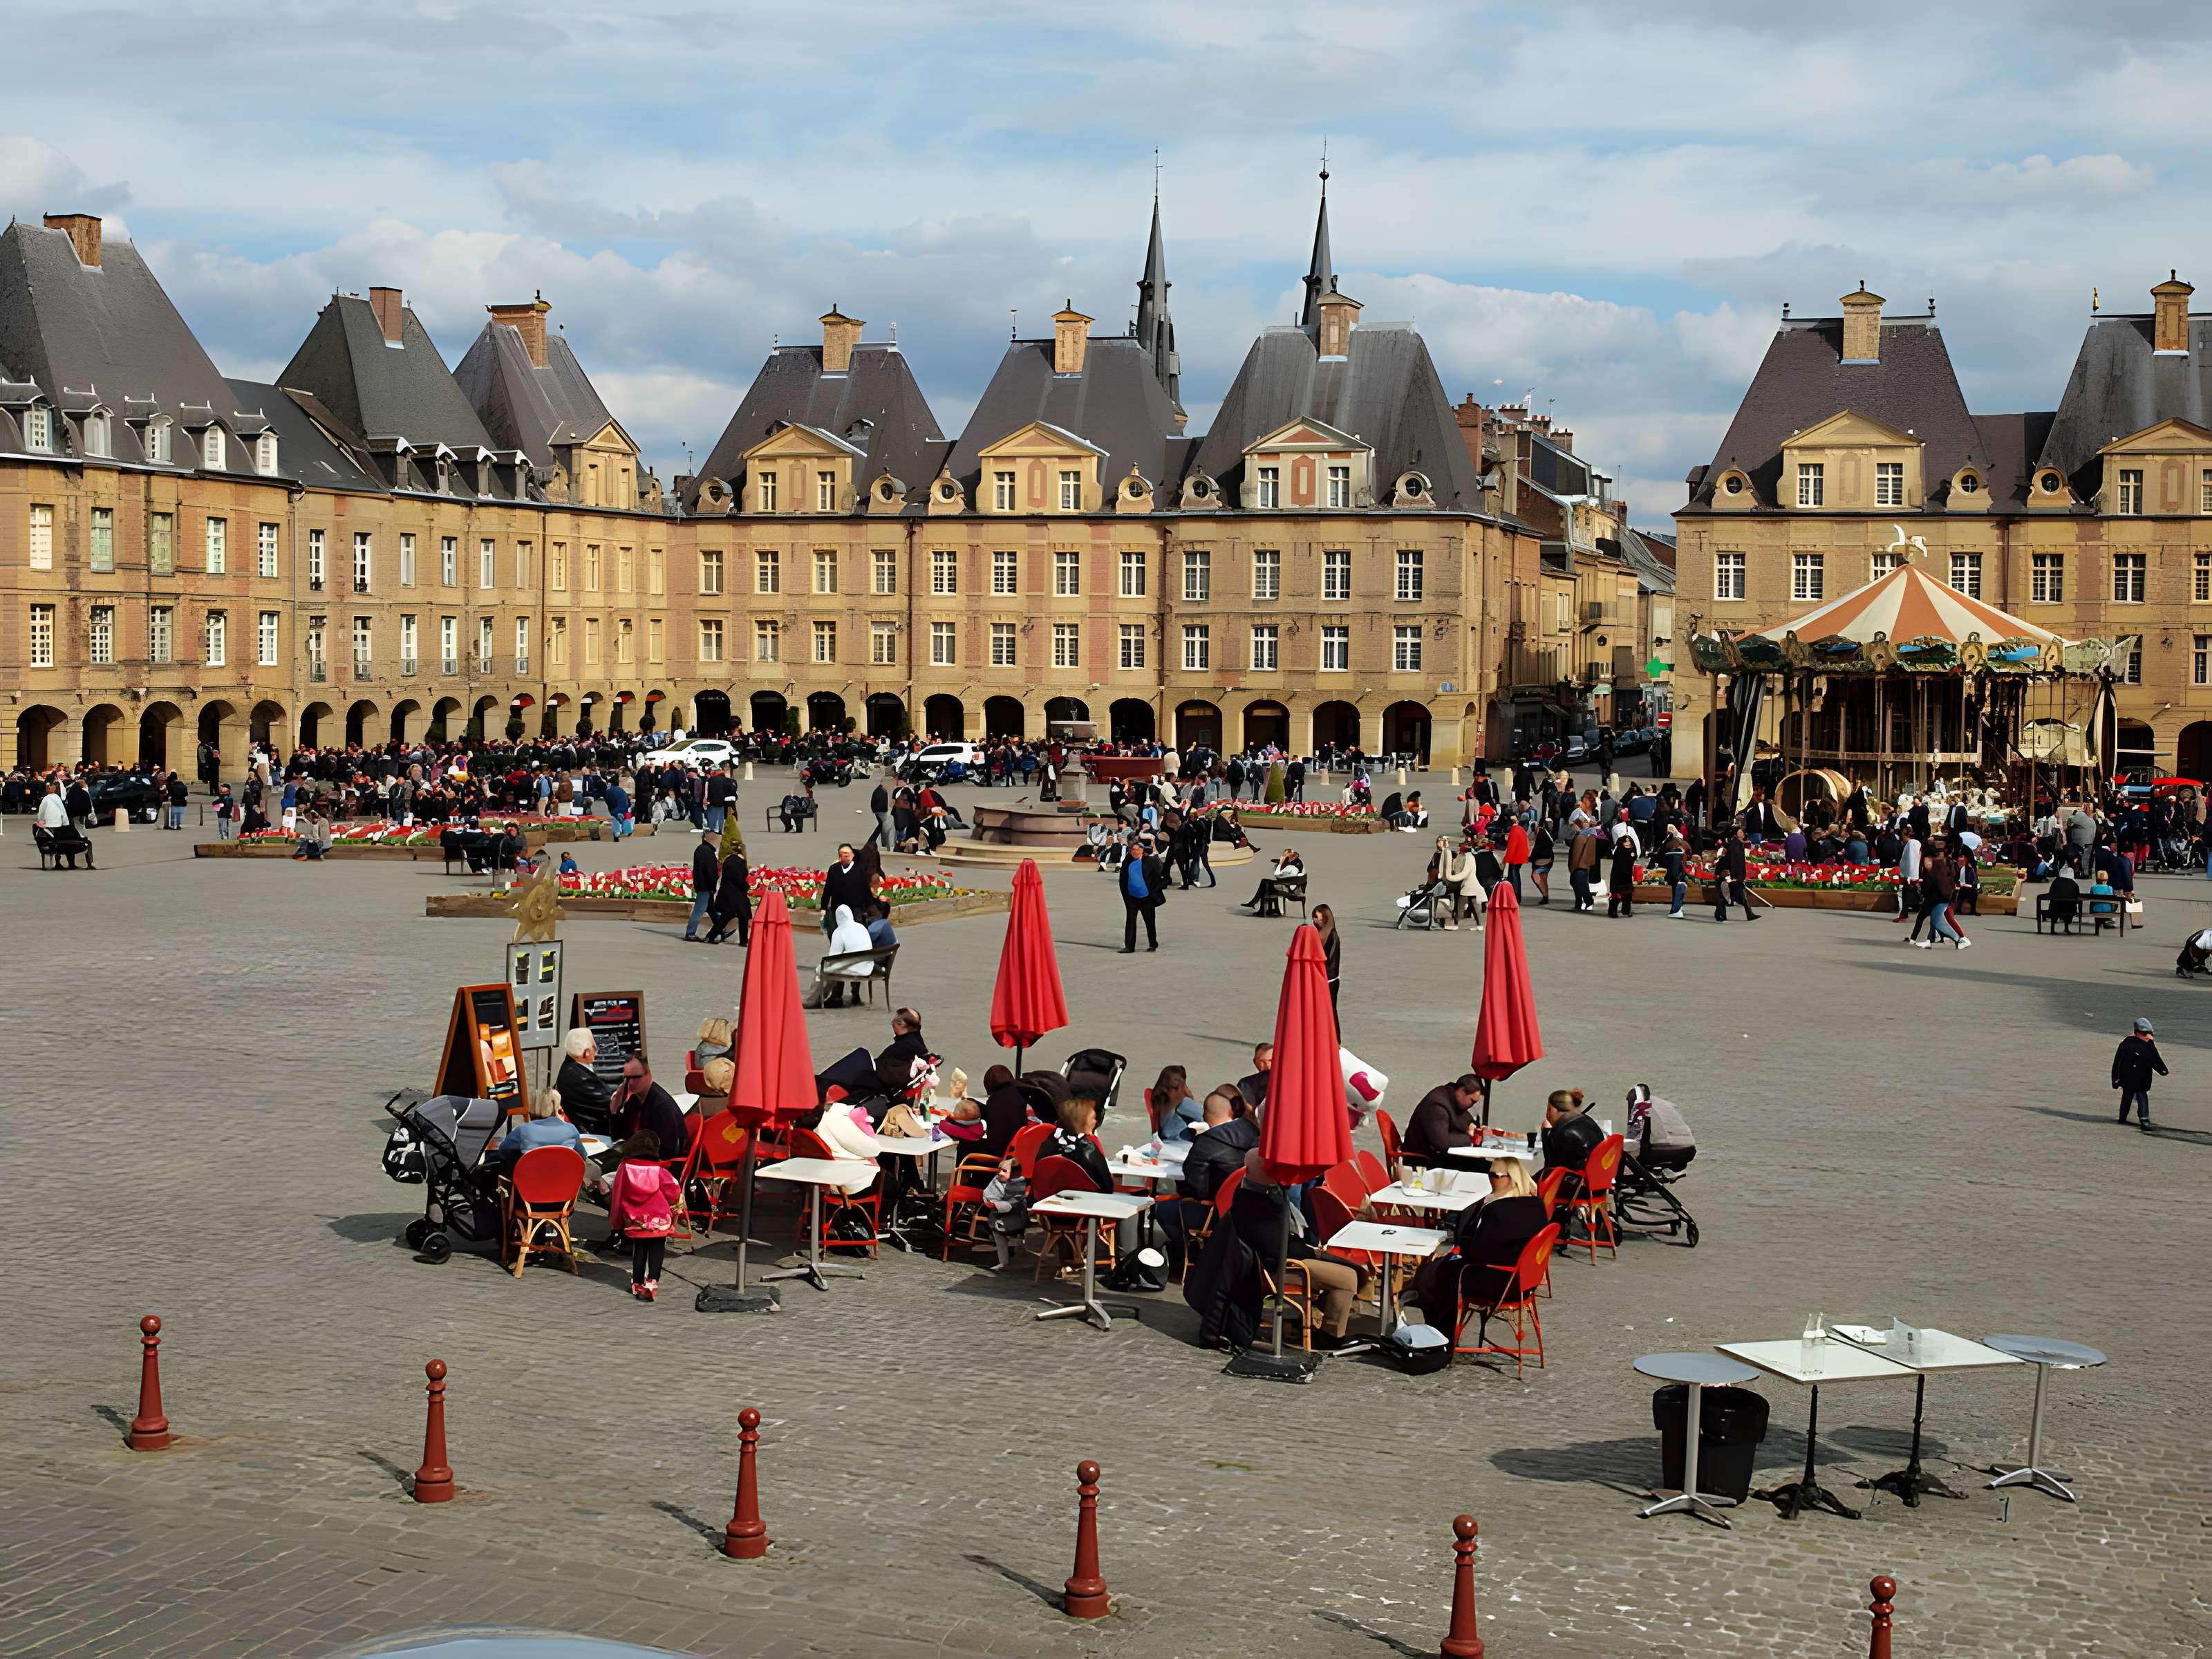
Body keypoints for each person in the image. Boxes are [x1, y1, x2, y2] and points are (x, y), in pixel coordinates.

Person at [1228, 1147, 1368, 1349]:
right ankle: (1330, 1335)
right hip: (1280, 1267)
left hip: (1289, 1257)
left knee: (1353, 1272)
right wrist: (1312, 1251)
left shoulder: (1261, 1194)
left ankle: (1314, 1319)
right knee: (1348, 1279)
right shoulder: (1253, 1203)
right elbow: (1275, 1247)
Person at [1409, 1159, 1550, 1330]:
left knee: (1433, 1272)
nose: (1490, 1180)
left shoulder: (1496, 1211)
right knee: (1439, 1271)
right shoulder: (1537, 1206)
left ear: (1509, 1178)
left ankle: (1438, 1332)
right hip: (1525, 1283)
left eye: (1494, 1176)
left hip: (1496, 1282)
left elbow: (1475, 1255)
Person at [605, 1130, 681, 1301]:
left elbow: (617, 1195)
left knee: (639, 1250)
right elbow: (674, 1191)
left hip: (635, 1220)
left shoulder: (624, 1168)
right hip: (659, 1220)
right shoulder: (659, 1170)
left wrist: (616, 1222)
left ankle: (637, 1282)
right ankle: (653, 1281)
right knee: (657, 1249)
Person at [1541, 1088, 1606, 1213]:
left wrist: (1546, 1134)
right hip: (1597, 1181)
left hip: (1576, 1185)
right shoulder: (1587, 1120)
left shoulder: (1563, 1131)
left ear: (1552, 1109)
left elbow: (1550, 1168)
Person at [495, 1087, 584, 1172]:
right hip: (565, 1184)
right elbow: (583, 1156)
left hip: (528, 1185)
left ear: (532, 1110)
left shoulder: (523, 1130)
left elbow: (503, 1151)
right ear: (557, 1109)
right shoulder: (571, 1130)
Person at [1403, 1074, 1483, 1166]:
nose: (1472, 1105)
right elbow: (1442, 1143)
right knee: (1486, 1169)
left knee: (1486, 1166)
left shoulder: (1451, 1098)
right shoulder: (1437, 1106)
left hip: (1436, 1157)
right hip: (1423, 1161)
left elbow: (1464, 1119)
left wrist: (1478, 1130)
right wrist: (1470, 1138)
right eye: (1472, 1101)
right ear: (1461, 1091)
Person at [2111, 1016, 2167, 1132]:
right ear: (2136, 1033)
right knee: (2127, 1097)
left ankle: (2144, 1118)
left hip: (2142, 1079)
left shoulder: (2149, 1046)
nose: (2148, 1036)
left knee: (2142, 1097)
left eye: (2149, 1034)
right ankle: (2123, 1117)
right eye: (2145, 1034)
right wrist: (2115, 1079)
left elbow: (2155, 1059)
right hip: (2128, 1078)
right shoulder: (2126, 1044)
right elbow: (2117, 1062)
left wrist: (2162, 1070)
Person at [554, 1029, 615, 1133]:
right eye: (594, 1047)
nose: (596, 1051)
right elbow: (607, 1102)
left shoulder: (572, 1067)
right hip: (589, 1133)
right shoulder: (577, 1076)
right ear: (586, 1052)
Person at [1119, 830, 1167, 953]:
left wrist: (1153, 895)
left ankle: (1153, 943)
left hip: (1147, 898)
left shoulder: (1149, 861)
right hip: (1131, 898)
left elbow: (1158, 875)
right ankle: (1129, 946)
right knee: (1130, 921)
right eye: (1132, 850)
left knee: (1150, 921)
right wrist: (1126, 896)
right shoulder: (1127, 861)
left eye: (1136, 850)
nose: (1134, 852)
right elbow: (1123, 879)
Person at [874, 1006, 930, 1097]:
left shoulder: (900, 1048)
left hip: (885, 1088)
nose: (892, 1025)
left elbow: (881, 1070)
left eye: (894, 1022)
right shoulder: (918, 1044)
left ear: (901, 1024)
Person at [821, 844, 872, 939]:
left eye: (847, 855)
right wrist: (823, 908)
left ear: (853, 856)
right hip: (837, 909)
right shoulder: (834, 869)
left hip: (856, 909)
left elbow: (865, 889)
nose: (845, 858)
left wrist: (869, 906)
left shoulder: (859, 870)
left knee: (856, 934)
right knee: (836, 934)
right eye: (842, 856)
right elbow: (828, 889)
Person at [705, 846, 752, 946]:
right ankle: (743, 941)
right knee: (742, 916)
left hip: (729, 894)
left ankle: (711, 936)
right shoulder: (738, 862)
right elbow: (738, 878)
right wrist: (746, 886)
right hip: (735, 895)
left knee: (726, 917)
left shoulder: (730, 860)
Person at [1713, 825, 1756, 921]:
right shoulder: (1735, 845)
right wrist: (1736, 875)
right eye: (1741, 831)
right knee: (1728, 892)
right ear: (1736, 834)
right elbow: (1735, 861)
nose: (1743, 833)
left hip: (1732, 871)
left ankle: (1721, 913)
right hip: (1730, 872)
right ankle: (1720, 913)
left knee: (1732, 892)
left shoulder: (1737, 844)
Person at [1150, 1065, 1201, 1141]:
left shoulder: (1160, 1099)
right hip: (1183, 1144)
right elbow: (1205, 1116)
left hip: (1167, 1141)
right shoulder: (1183, 1103)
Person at [684, 831, 720, 942]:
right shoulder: (707, 852)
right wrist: (712, 886)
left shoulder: (702, 850)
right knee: (699, 910)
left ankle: (721, 928)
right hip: (705, 886)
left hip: (702, 885)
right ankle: (690, 933)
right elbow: (710, 872)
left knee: (712, 910)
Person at [1312, 903, 1342, 1009]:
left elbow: (1330, 960)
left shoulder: (1333, 936)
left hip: (1330, 980)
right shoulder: (1320, 935)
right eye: (1314, 917)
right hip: (1323, 979)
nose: (1315, 921)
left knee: (1330, 1012)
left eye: (1317, 917)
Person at [1237, 1044, 1273, 1112]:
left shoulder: (1285, 1083)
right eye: (1262, 1061)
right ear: (1255, 1062)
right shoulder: (1246, 1084)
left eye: (1270, 1060)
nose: (1267, 1065)